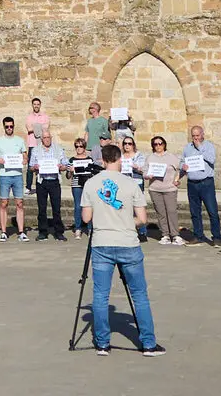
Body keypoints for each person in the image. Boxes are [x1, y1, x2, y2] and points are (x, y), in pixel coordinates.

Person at [79, 144, 164, 357]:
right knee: (140, 295)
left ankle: (102, 344)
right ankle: (148, 344)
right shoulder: (131, 183)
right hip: (127, 242)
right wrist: (127, 220)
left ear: (103, 160)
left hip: (102, 242)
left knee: (100, 295)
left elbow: (86, 218)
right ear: (119, 159)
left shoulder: (90, 184)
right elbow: (143, 219)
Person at [180, 125, 221, 247]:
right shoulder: (188, 147)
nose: (195, 138)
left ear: (202, 134)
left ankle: (217, 237)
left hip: (206, 182)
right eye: (193, 136)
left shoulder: (208, 146)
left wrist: (200, 148)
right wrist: (183, 166)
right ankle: (198, 236)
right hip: (192, 183)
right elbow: (182, 161)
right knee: (194, 212)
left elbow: (212, 159)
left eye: (197, 135)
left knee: (212, 211)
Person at [0, 117, 28, 242]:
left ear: (14, 126)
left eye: (11, 126)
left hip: (17, 175)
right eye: (7, 126)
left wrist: (24, 160)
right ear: (4, 127)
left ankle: (21, 232)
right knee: (3, 203)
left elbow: (25, 155)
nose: (9, 128)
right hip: (4, 175)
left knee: (20, 203)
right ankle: (4, 231)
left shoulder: (20, 140)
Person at [29, 131, 68, 241]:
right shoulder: (36, 150)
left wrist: (61, 167)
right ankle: (43, 232)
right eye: (45, 137)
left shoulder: (58, 149)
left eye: (48, 137)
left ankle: (58, 232)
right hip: (42, 182)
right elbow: (31, 167)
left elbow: (66, 165)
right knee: (42, 208)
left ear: (51, 138)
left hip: (54, 181)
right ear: (41, 139)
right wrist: (35, 167)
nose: (47, 139)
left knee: (56, 208)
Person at [144, 137, 183, 245]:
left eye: (160, 144)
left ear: (164, 144)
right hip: (155, 189)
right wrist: (147, 176)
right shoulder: (150, 157)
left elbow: (180, 169)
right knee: (161, 213)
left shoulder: (171, 157)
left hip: (170, 189)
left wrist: (177, 180)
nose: (158, 146)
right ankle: (165, 234)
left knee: (171, 212)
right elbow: (144, 172)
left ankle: (175, 235)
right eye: (155, 144)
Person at [69, 138, 100, 238]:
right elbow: (68, 176)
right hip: (76, 184)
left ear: (84, 147)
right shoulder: (72, 160)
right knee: (78, 206)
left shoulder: (89, 159)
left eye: (81, 146)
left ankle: (90, 228)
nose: (78, 148)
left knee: (89, 205)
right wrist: (70, 170)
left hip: (87, 184)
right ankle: (78, 228)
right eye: (76, 146)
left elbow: (93, 172)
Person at [119, 137, 147, 241]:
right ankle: (128, 230)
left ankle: (142, 231)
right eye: (125, 143)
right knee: (125, 207)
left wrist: (136, 167)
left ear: (133, 145)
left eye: (129, 144)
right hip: (123, 183)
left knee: (138, 207)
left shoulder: (139, 156)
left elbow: (144, 169)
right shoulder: (120, 157)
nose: (127, 145)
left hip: (136, 182)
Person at [25, 97, 49, 195]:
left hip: (41, 144)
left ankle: (41, 186)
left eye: (38, 104)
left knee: (42, 165)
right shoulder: (29, 117)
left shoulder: (45, 116)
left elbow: (46, 128)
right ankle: (28, 186)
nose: (36, 106)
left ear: (40, 105)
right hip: (32, 144)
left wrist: (35, 126)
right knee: (30, 166)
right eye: (34, 104)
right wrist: (39, 126)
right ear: (32, 105)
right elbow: (28, 128)